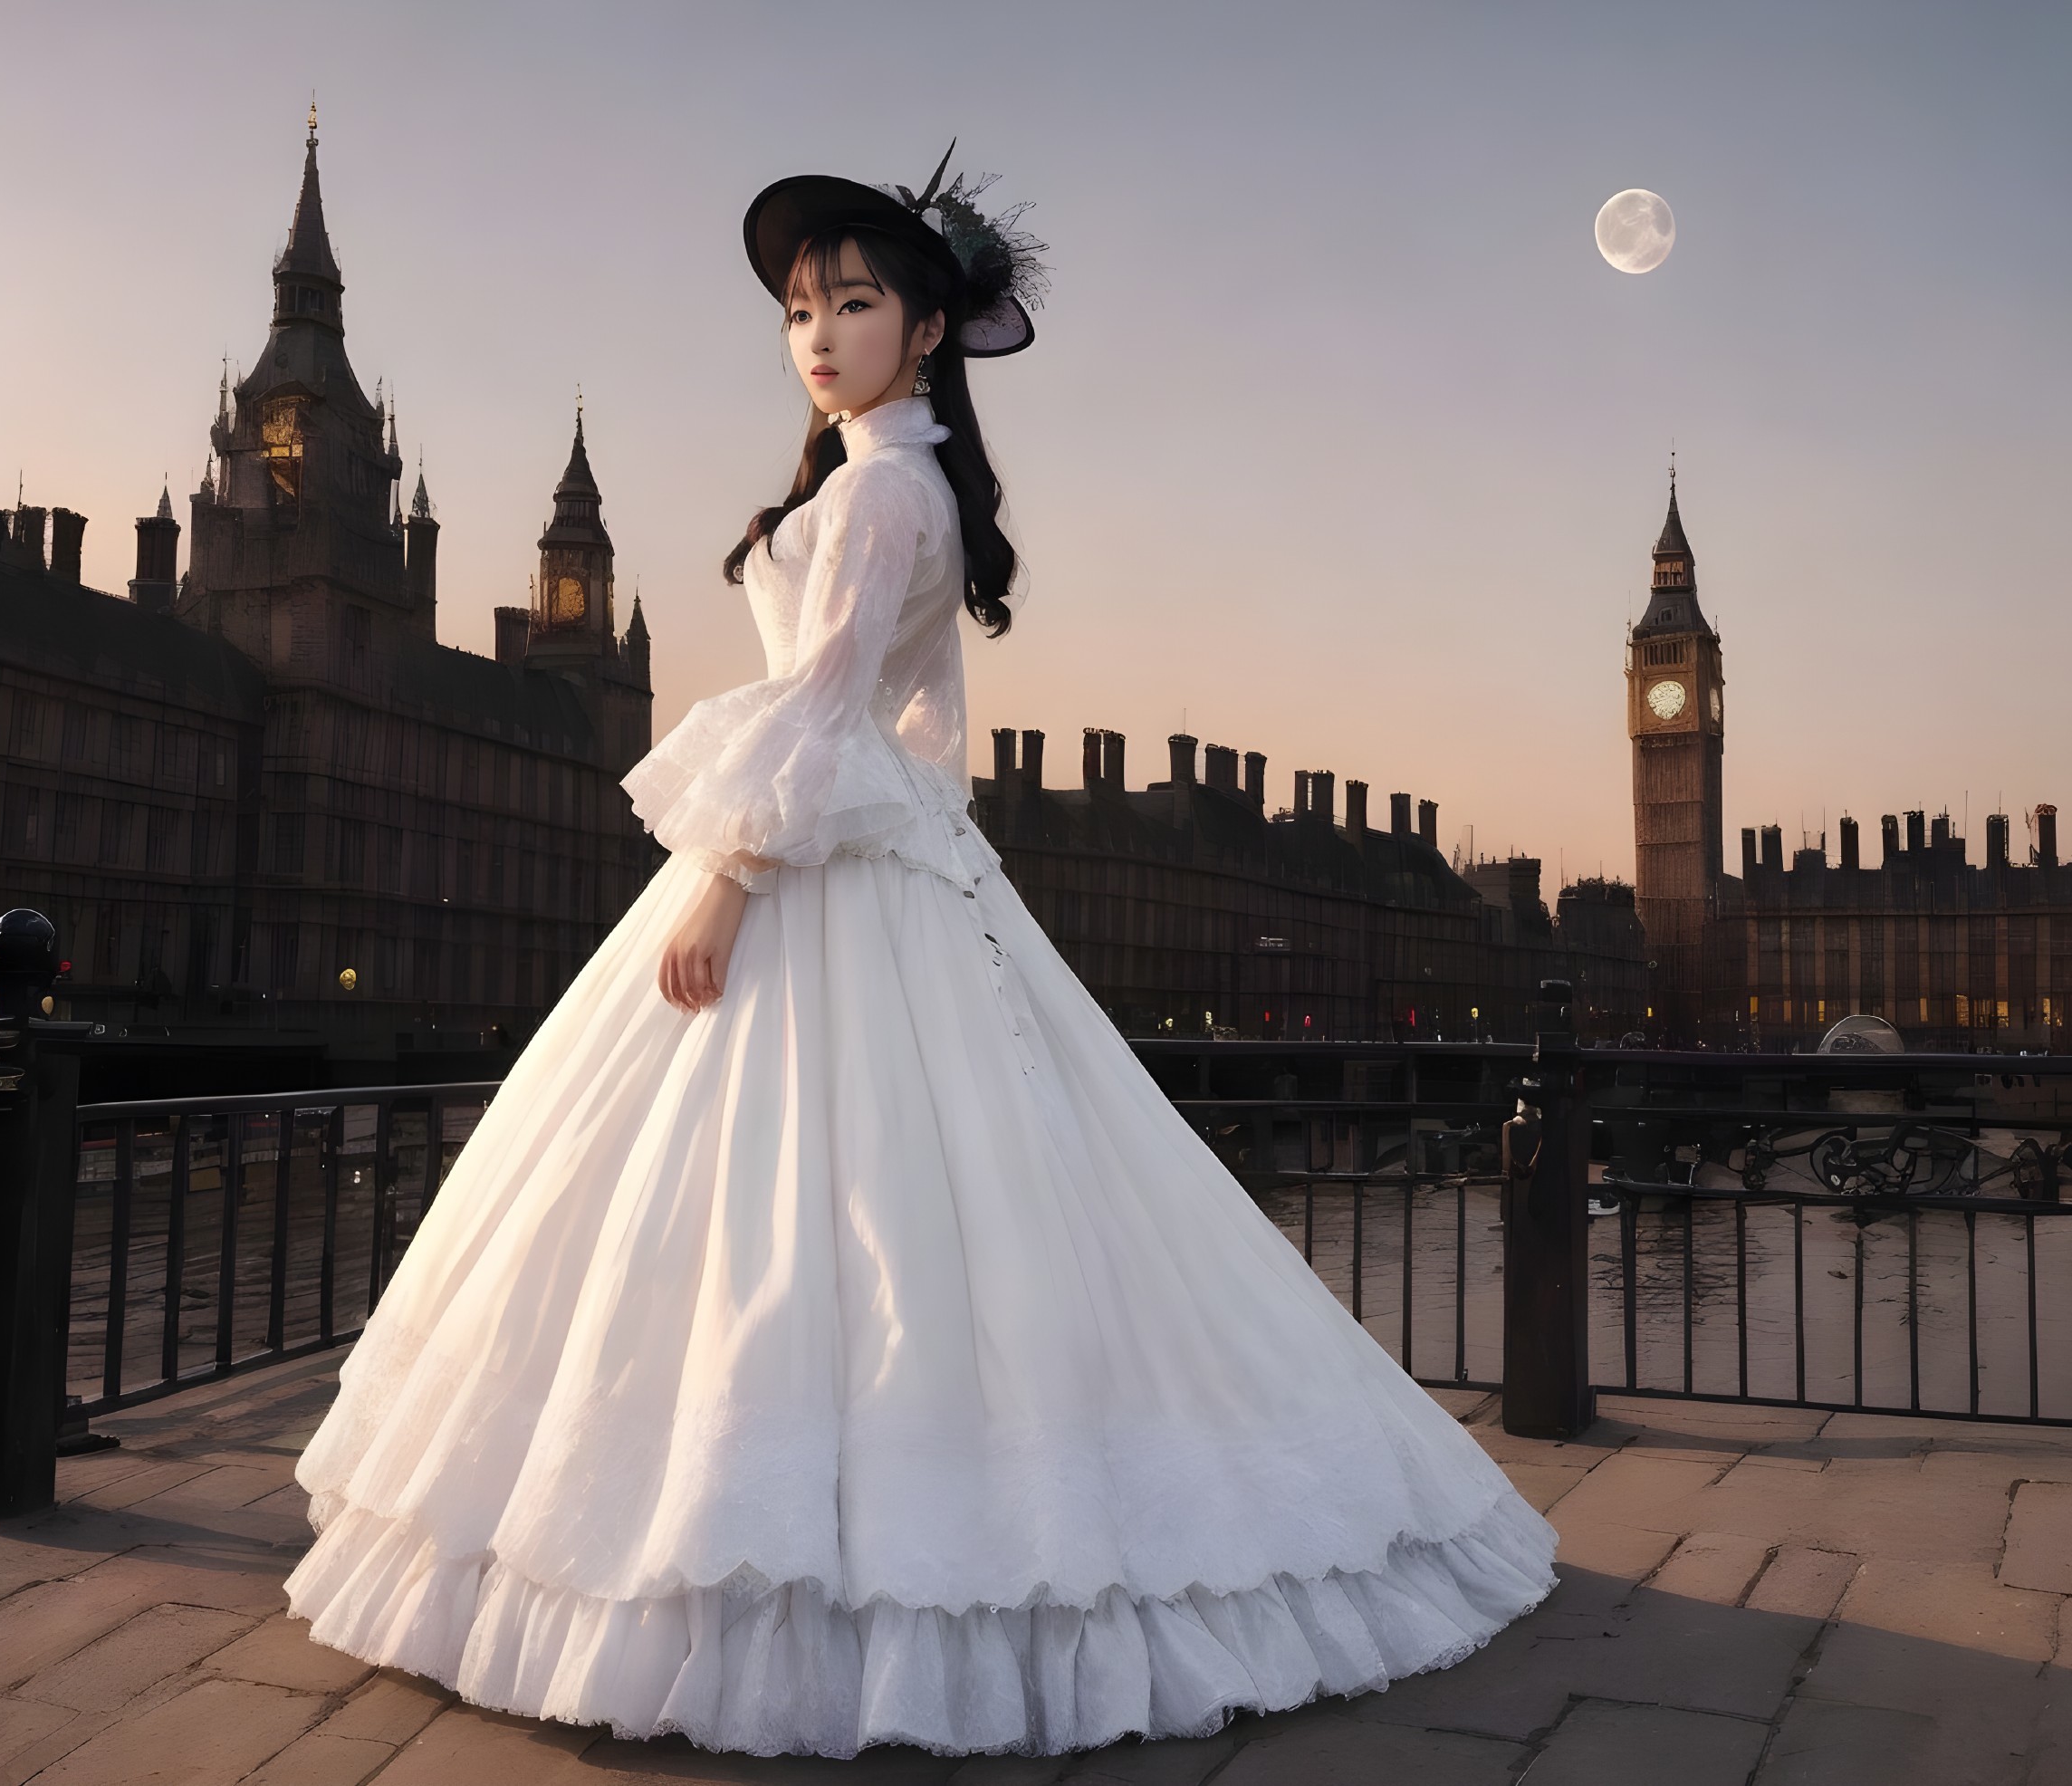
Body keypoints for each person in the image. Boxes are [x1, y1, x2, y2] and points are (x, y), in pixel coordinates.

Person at [282, 147, 1558, 1761]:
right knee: (903, 1225)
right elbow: (920, 730)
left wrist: (729, 876)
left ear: (930, 326)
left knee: (788, 1224)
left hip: (819, 869)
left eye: (854, 301)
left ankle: (788, 1563)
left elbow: (824, 709)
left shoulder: (884, 490)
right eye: (801, 306)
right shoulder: (893, 478)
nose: (815, 332)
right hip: (887, 860)